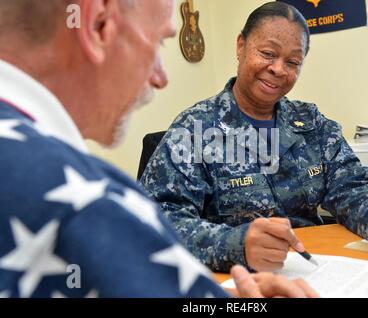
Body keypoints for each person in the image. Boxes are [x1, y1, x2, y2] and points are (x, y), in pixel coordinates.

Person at [0, 0, 318, 298]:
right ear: (98, 25)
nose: (160, 77)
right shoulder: (81, 204)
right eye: (157, 43)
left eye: (292, 62)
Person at [140, 1, 368, 273]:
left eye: (293, 62)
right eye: (268, 53)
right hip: (236, 281)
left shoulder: (311, 123)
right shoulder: (195, 129)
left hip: (317, 271)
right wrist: (236, 244)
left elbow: (353, 187)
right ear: (241, 45)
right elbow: (154, 222)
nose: (278, 69)